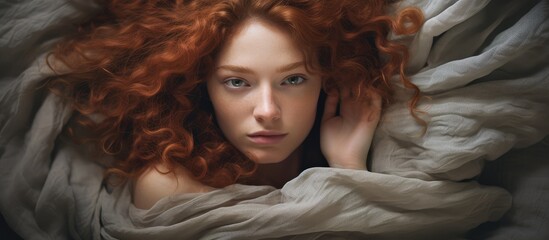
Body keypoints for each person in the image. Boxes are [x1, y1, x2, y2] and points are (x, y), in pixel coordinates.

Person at [47, 0, 423, 209]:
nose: (267, 110)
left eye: (293, 79)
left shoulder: (352, 147)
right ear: (201, 85)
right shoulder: (171, 187)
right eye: (237, 82)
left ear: (327, 79)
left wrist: (347, 166)